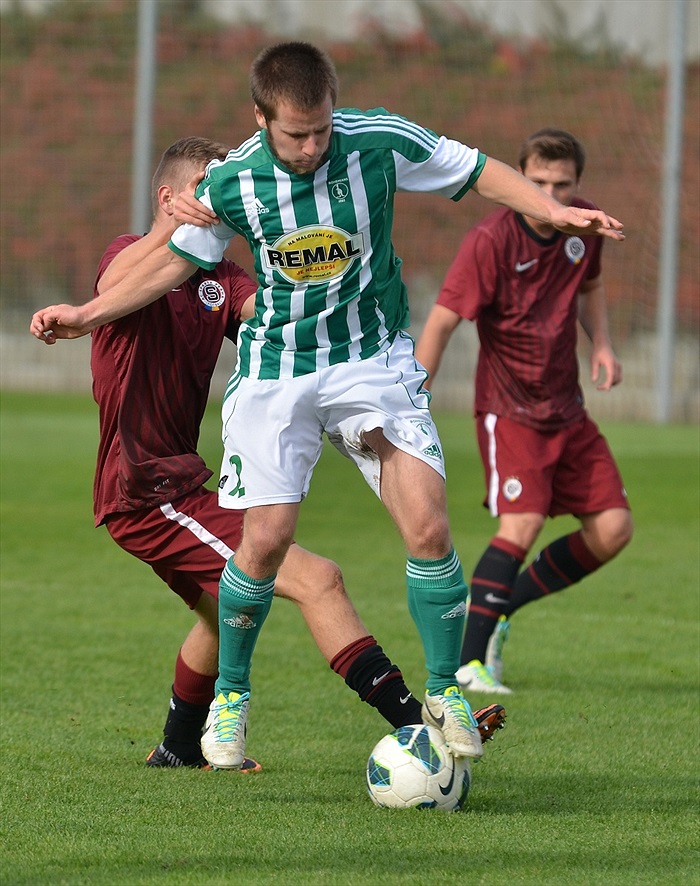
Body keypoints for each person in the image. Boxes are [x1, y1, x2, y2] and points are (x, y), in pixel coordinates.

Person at [30, 43, 624, 769]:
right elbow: (161, 263)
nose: (311, 147)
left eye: (320, 130)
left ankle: (444, 690)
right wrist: (87, 315)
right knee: (268, 542)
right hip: (269, 383)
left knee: (429, 522)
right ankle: (232, 699)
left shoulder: (375, 140)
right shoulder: (236, 181)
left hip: (369, 361)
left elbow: (475, 169)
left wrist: (552, 210)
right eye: (295, 135)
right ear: (261, 119)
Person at [35, 136, 505, 770]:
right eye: (205, 187)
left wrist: (335, 286)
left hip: (179, 483)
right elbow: (113, 287)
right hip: (145, 490)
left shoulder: (221, 278)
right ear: (168, 198)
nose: (223, 196)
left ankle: (177, 748)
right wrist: (165, 241)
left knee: (220, 610)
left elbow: (273, 312)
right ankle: (416, 724)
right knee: (318, 580)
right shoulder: (128, 255)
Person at [415, 128, 633, 694]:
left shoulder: (583, 224)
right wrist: (412, 398)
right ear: (519, 177)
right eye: (538, 182)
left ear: (577, 183)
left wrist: (602, 344)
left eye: (562, 184)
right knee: (523, 523)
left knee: (613, 529)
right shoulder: (491, 241)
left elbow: (590, 286)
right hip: (509, 409)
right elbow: (441, 321)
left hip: (568, 410)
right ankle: (468, 662)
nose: (550, 195)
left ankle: (498, 607)